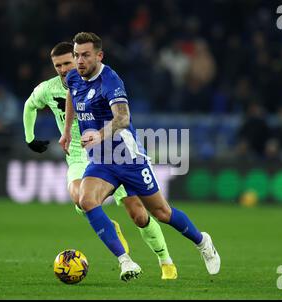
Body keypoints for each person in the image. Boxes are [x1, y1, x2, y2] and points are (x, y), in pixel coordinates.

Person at [60, 32, 220, 281]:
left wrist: (99, 135)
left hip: (128, 159)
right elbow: (72, 94)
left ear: (99, 56)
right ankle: (125, 261)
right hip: (101, 161)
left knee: (161, 214)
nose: (79, 61)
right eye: (77, 55)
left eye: (86, 55)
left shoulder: (110, 81)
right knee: (86, 200)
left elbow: (122, 118)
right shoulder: (73, 77)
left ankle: (202, 242)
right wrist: (67, 130)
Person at [23, 42, 177, 280]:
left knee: (138, 213)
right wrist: (30, 138)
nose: (63, 69)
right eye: (58, 66)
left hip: (111, 154)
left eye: (67, 63)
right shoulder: (47, 89)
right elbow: (29, 106)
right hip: (78, 155)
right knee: (80, 198)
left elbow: (120, 115)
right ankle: (119, 249)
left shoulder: (98, 81)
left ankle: (165, 260)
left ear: (79, 62)